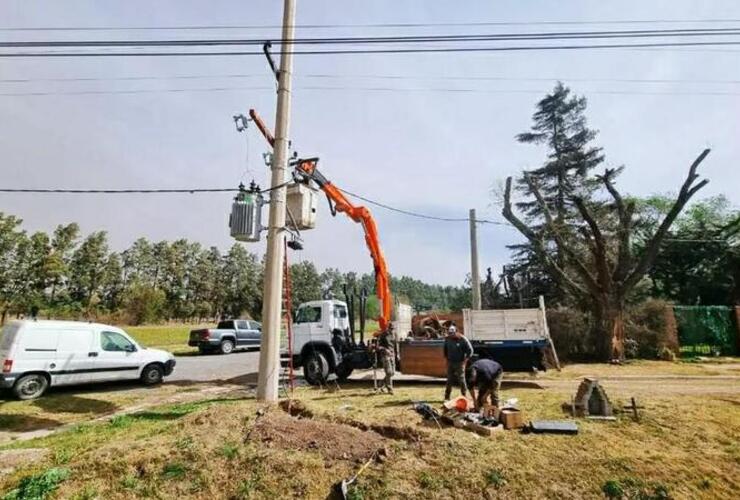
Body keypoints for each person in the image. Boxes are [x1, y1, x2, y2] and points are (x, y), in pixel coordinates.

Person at [443, 324, 473, 401]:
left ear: (456, 332)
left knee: (461, 380)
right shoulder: (447, 339)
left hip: (460, 362)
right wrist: (446, 360)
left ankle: (464, 395)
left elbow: (470, 351)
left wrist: (465, 361)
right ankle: (447, 396)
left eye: (452, 333)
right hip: (450, 362)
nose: (451, 335)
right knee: (449, 380)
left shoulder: (463, 339)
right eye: (449, 333)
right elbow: (445, 350)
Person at [376, 326, 395, 394]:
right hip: (385, 355)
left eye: (393, 329)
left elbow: (395, 345)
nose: (392, 330)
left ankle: (380, 384)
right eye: (391, 329)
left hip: (392, 355)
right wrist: (385, 349)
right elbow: (378, 347)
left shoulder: (393, 334)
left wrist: (397, 353)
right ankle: (390, 389)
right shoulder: (383, 335)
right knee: (389, 372)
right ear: (387, 328)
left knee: (392, 373)